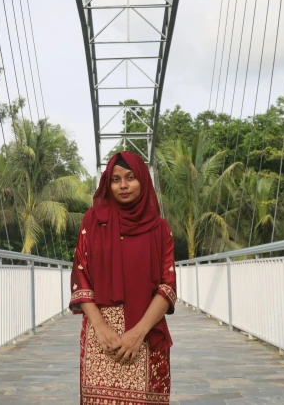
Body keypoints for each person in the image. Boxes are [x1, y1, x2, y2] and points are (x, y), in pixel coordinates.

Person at [70, 151, 177, 404]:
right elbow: (81, 275)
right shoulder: (92, 220)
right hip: (101, 336)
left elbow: (167, 286)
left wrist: (137, 334)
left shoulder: (160, 229)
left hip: (146, 333)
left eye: (130, 178)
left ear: (142, 179)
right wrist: (101, 327)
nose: (123, 186)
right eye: (115, 179)